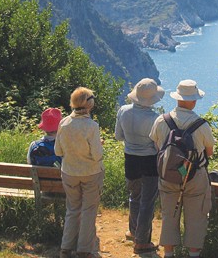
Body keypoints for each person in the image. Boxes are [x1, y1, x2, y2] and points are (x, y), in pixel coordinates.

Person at [150, 79, 215, 258]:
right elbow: (209, 152)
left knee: (169, 215)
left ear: (177, 98)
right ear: (193, 101)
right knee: (196, 217)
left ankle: (169, 253)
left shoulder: (161, 121)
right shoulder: (201, 125)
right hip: (195, 177)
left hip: (168, 175)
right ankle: (193, 254)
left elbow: (158, 147)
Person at [114, 78, 164, 254]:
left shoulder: (123, 111)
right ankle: (142, 242)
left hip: (130, 159)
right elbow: (159, 145)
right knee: (147, 201)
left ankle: (133, 231)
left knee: (134, 196)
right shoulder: (156, 119)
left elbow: (118, 136)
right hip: (149, 161)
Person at [55, 87, 104, 258]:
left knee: (72, 209)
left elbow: (58, 151)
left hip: (69, 172)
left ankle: (66, 248)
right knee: (89, 210)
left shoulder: (63, 123)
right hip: (90, 173)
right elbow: (97, 155)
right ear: (89, 104)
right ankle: (84, 250)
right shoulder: (92, 126)